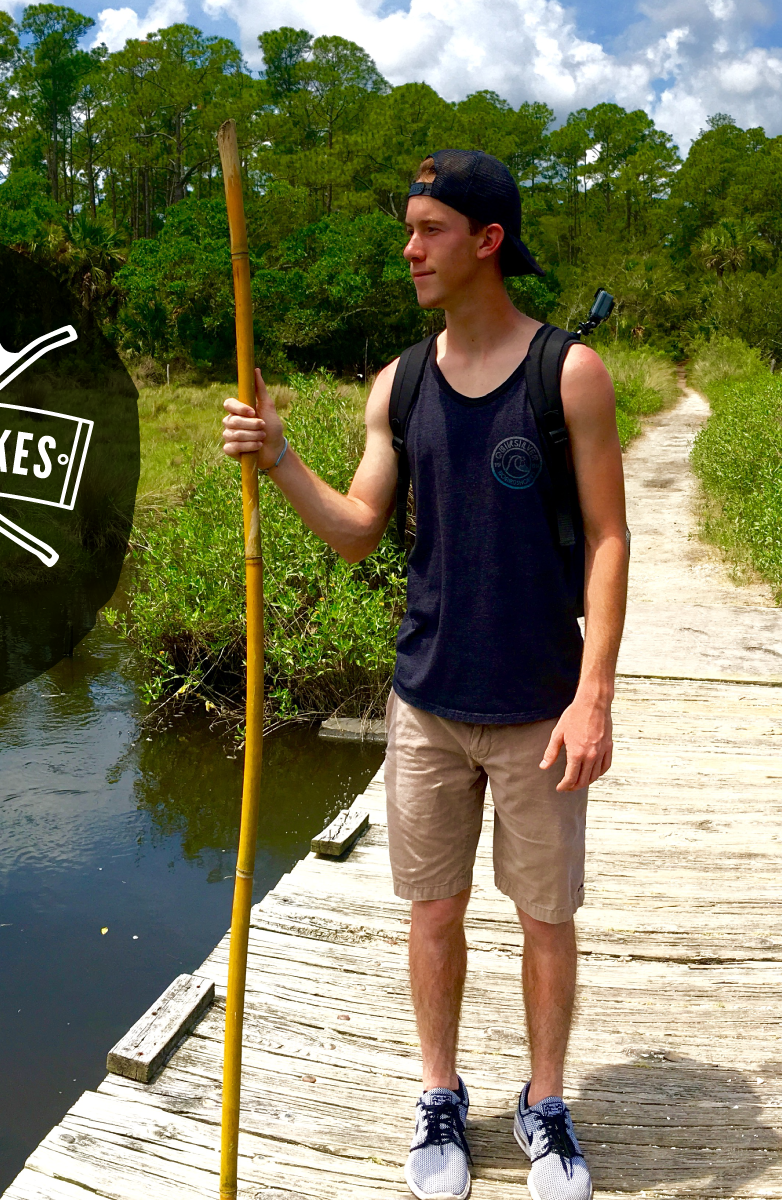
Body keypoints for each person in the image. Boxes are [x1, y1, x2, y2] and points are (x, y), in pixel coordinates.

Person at [221, 148, 628, 1200]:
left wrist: (594, 696)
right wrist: (278, 456)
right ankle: (439, 1096)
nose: (409, 250)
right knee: (433, 910)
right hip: (428, 702)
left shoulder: (568, 374)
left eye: (429, 230)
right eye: (408, 230)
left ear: (488, 240)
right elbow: (359, 529)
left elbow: (609, 538)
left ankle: (546, 1104)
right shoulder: (398, 385)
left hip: (541, 705)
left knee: (546, 917)